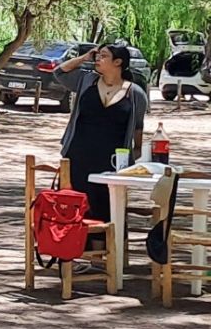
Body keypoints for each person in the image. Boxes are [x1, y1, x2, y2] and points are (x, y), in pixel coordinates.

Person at [51, 40, 151, 219]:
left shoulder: (135, 94)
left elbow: (138, 131)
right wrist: (85, 57)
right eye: (97, 55)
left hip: (110, 162)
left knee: (106, 210)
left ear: (118, 62)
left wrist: (128, 161)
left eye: (103, 56)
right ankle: (72, 246)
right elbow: (59, 72)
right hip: (78, 156)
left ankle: (108, 246)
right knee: (74, 208)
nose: (98, 59)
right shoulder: (87, 80)